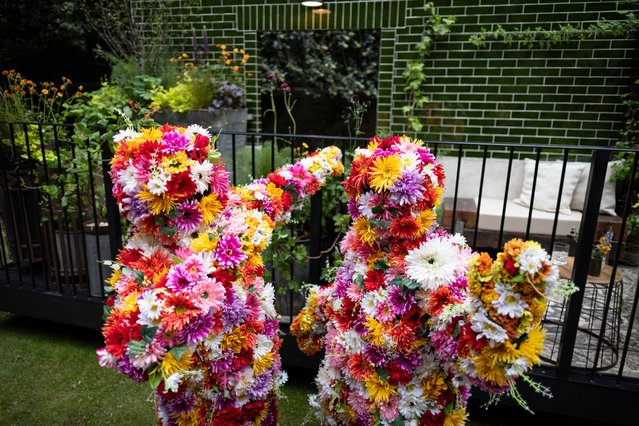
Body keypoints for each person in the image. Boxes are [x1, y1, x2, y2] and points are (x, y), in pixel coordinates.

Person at [292, 135, 562, 425]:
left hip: (406, 407)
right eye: (369, 195)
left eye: (392, 198)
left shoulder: (441, 260)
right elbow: (347, 293)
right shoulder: (359, 247)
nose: (380, 207)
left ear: (421, 200)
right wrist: (318, 311)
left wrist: (493, 336)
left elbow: (453, 325)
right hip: (347, 398)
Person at [97, 124, 342, 425]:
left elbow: (288, 184)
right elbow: (128, 347)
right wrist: (208, 270)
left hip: (253, 372)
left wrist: (326, 160)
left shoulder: (236, 211)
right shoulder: (143, 257)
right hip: (196, 390)